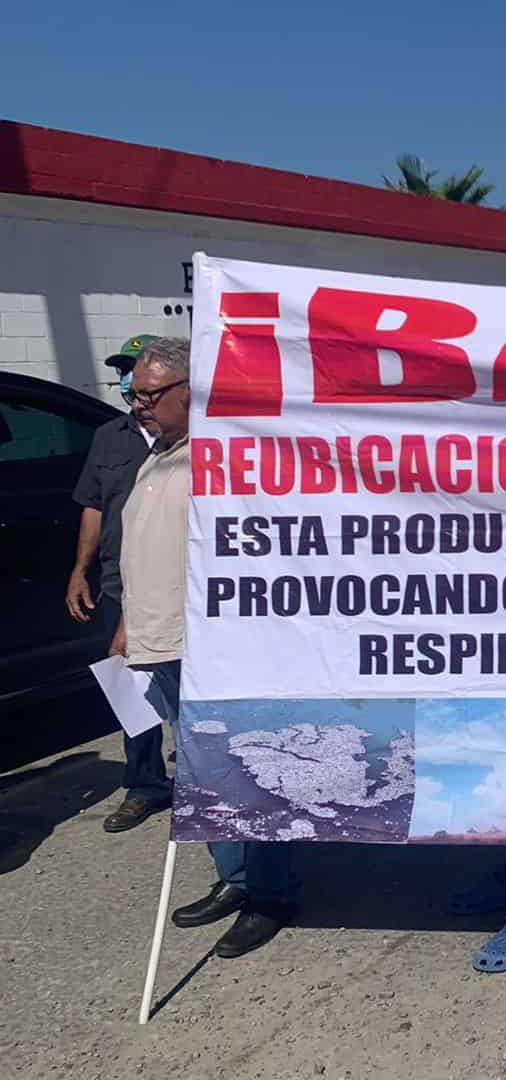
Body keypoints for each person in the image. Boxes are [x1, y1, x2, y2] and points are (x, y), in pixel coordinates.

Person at [112, 337, 299, 958]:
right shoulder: (157, 456)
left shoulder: (217, 456)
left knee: (245, 769)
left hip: (207, 645)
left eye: (147, 393)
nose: (135, 403)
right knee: (202, 773)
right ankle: (235, 879)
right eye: (132, 392)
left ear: (189, 391)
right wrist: (129, 624)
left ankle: (269, 894)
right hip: (157, 638)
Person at [67, 334, 162, 832]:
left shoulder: (187, 437)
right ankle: (146, 782)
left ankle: (208, 780)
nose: (130, 382)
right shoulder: (109, 437)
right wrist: (80, 569)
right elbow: (93, 505)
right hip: (116, 583)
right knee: (131, 691)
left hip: (171, 587)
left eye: (138, 370)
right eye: (123, 373)